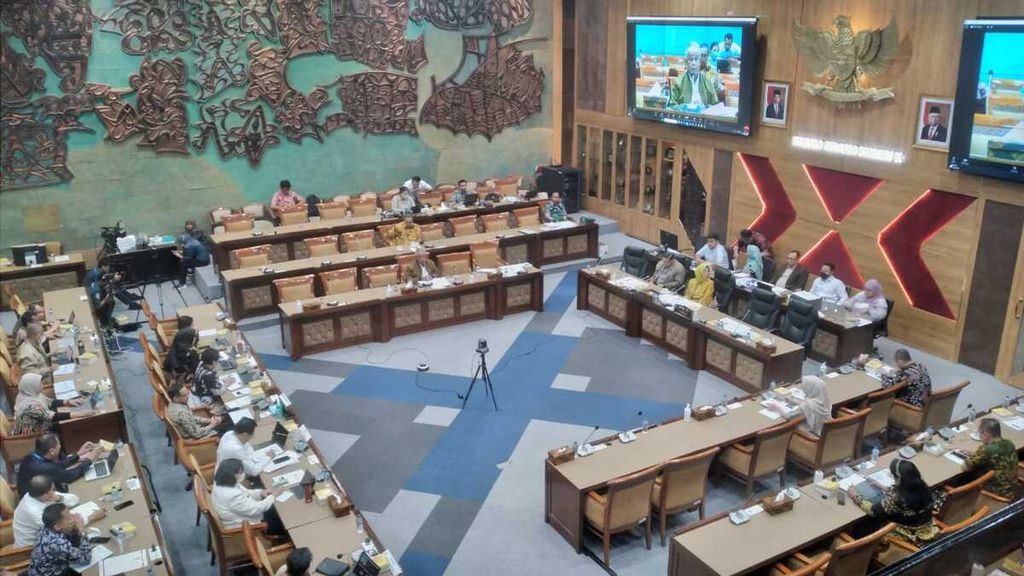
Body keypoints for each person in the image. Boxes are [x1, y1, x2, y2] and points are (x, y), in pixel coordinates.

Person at [847, 459, 941, 546]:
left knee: (864, 525)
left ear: (899, 478)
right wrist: (882, 487)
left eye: (893, 476)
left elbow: (872, 511)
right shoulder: (923, 488)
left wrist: (854, 495)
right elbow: (904, 492)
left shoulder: (897, 500)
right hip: (926, 527)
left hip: (907, 535)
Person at [14, 476, 103, 547]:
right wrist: (91, 518)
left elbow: (75, 500)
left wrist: (60, 498)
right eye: (53, 490)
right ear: (45, 494)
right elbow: (62, 530)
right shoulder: (33, 511)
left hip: (50, 534)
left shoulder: (39, 494)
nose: (55, 491)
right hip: (32, 546)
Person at [211, 458, 285, 535]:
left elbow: (245, 493)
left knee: (274, 509)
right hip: (245, 526)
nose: (243, 474)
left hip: (243, 512)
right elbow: (254, 510)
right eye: (240, 472)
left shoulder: (223, 482)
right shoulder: (232, 495)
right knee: (281, 520)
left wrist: (261, 493)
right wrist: (273, 496)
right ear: (232, 474)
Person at [17, 434, 98, 496]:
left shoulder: (33, 456)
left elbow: (57, 465)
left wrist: (78, 454)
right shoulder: (45, 468)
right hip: (38, 501)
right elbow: (70, 476)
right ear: (52, 451)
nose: (60, 447)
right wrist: (90, 459)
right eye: (59, 445)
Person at [13, 373, 93, 435]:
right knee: (74, 424)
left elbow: (49, 402)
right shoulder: (28, 404)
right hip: (33, 435)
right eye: (39, 383)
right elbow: (50, 416)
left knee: (69, 415)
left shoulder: (30, 392)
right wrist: (79, 414)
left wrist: (68, 402)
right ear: (31, 386)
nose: (42, 384)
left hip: (42, 422)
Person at [27, 503, 94, 576]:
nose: (73, 517)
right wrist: (82, 530)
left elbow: (71, 540)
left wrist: (74, 529)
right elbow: (85, 559)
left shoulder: (46, 527)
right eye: (69, 517)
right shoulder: (56, 543)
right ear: (57, 526)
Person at [961, 418, 1019, 499]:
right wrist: (975, 454)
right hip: (1012, 485)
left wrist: (973, 456)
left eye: (979, 433)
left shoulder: (985, 449)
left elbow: (965, 467)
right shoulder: (1008, 443)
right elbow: (996, 457)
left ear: (986, 434)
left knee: (963, 478)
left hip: (998, 490)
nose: (979, 436)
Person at [669, 43, 719, 108]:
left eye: (696, 59)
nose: (694, 63)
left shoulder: (708, 82)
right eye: (691, 59)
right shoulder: (677, 82)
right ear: (686, 62)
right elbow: (672, 107)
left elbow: (715, 106)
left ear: (700, 61)